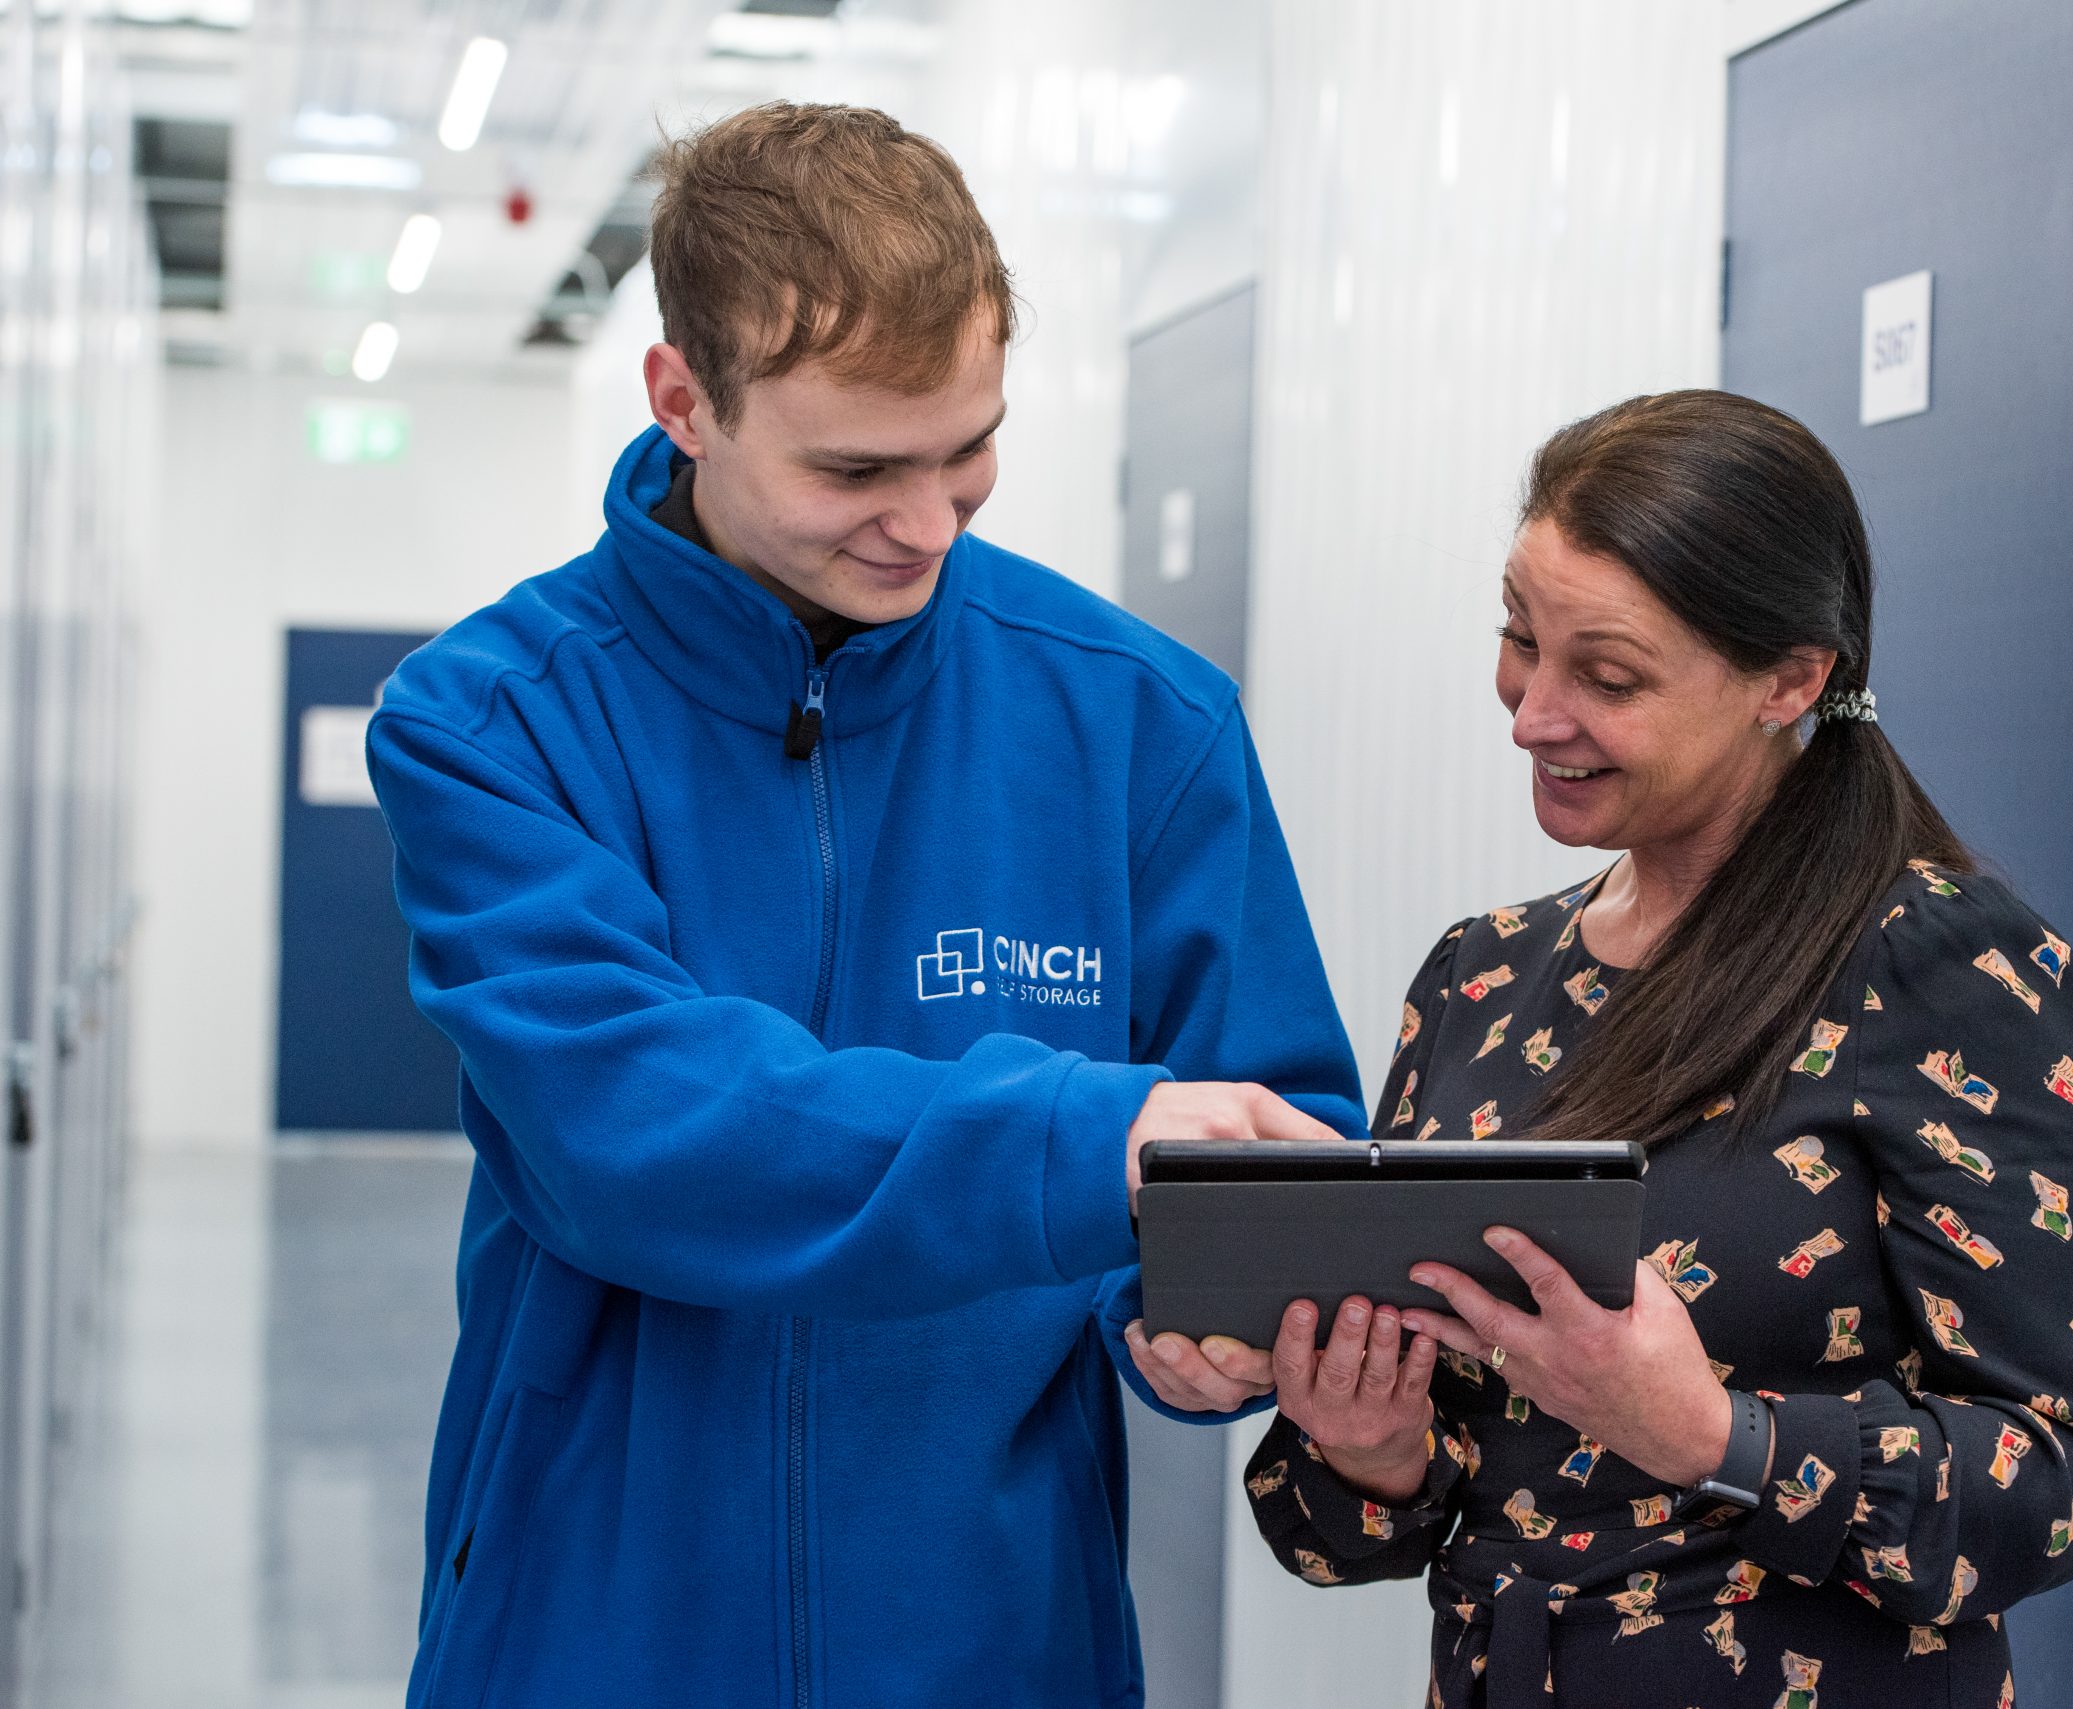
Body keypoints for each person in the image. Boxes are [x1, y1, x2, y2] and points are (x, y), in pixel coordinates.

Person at [367, 103, 1357, 1709]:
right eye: (856, 467)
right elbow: (630, 1123)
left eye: (971, 448)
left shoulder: (1140, 723)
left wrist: (1199, 1314)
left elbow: (1264, 1125)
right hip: (592, 1625)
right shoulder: (492, 723)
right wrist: (1082, 1148)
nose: (930, 524)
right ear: (685, 401)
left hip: (991, 1632)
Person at [1239, 391, 2073, 1707]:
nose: (1531, 714)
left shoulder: (1944, 967)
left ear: (1792, 677)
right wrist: (1371, 1443)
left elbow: (2064, 1475)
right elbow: (1386, 1519)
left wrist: (1714, 1435)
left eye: (1608, 675)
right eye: (1517, 639)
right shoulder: (1479, 975)